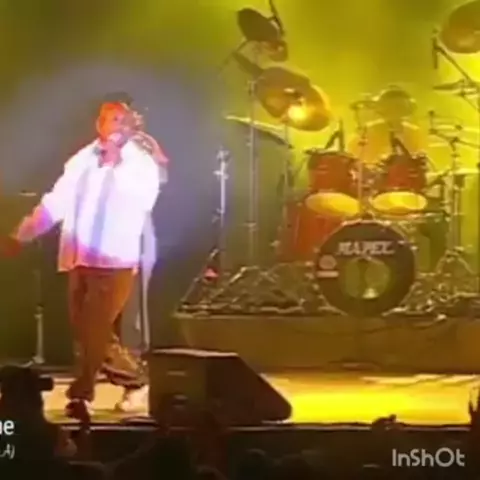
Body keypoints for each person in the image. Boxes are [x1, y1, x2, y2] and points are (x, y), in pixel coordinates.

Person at [1, 101, 168, 416]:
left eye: (120, 119)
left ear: (130, 125)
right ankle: (135, 381)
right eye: (108, 119)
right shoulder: (82, 160)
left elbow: (144, 200)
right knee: (88, 332)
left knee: (94, 328)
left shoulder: (140, 163)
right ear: (99, 124)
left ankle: (81, 394)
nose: (114, 125)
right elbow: (55, 202)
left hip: (114, 260)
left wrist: (117, 164)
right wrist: (21, 235)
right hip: (79, 257)